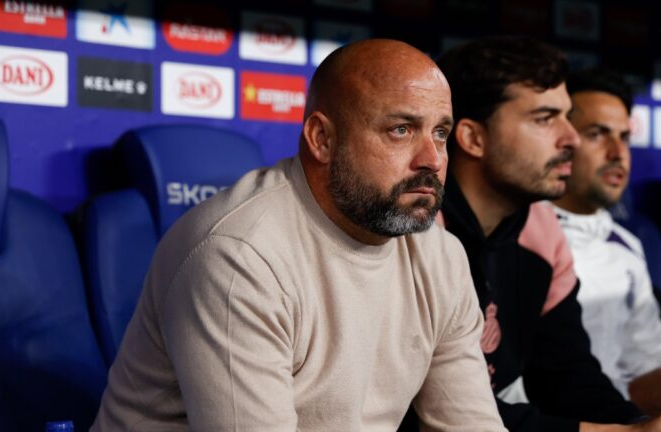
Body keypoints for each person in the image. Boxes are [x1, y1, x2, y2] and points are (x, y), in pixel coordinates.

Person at [91, 39, 507, 431]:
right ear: (321, 139)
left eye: (440, 133)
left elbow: (470, 423)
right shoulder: (239, 256)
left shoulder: (441, 257)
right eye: (401, 130)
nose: (432, 159)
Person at [434, 36, 661, 432]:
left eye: (567, 117)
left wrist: (647, 425)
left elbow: (568, 376)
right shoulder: (415, 232)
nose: (572, 138)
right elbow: (443, 411)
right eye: (545, 119)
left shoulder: (542, 230)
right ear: (473, 138)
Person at [551, 67, 661, 428]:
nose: (618, 153)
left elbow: (655, 355)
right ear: (559, 139)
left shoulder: (626, 245)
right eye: (598, 134)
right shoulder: (518, 239)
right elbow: (513, 388)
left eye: (625, 137)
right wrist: (632, 394)